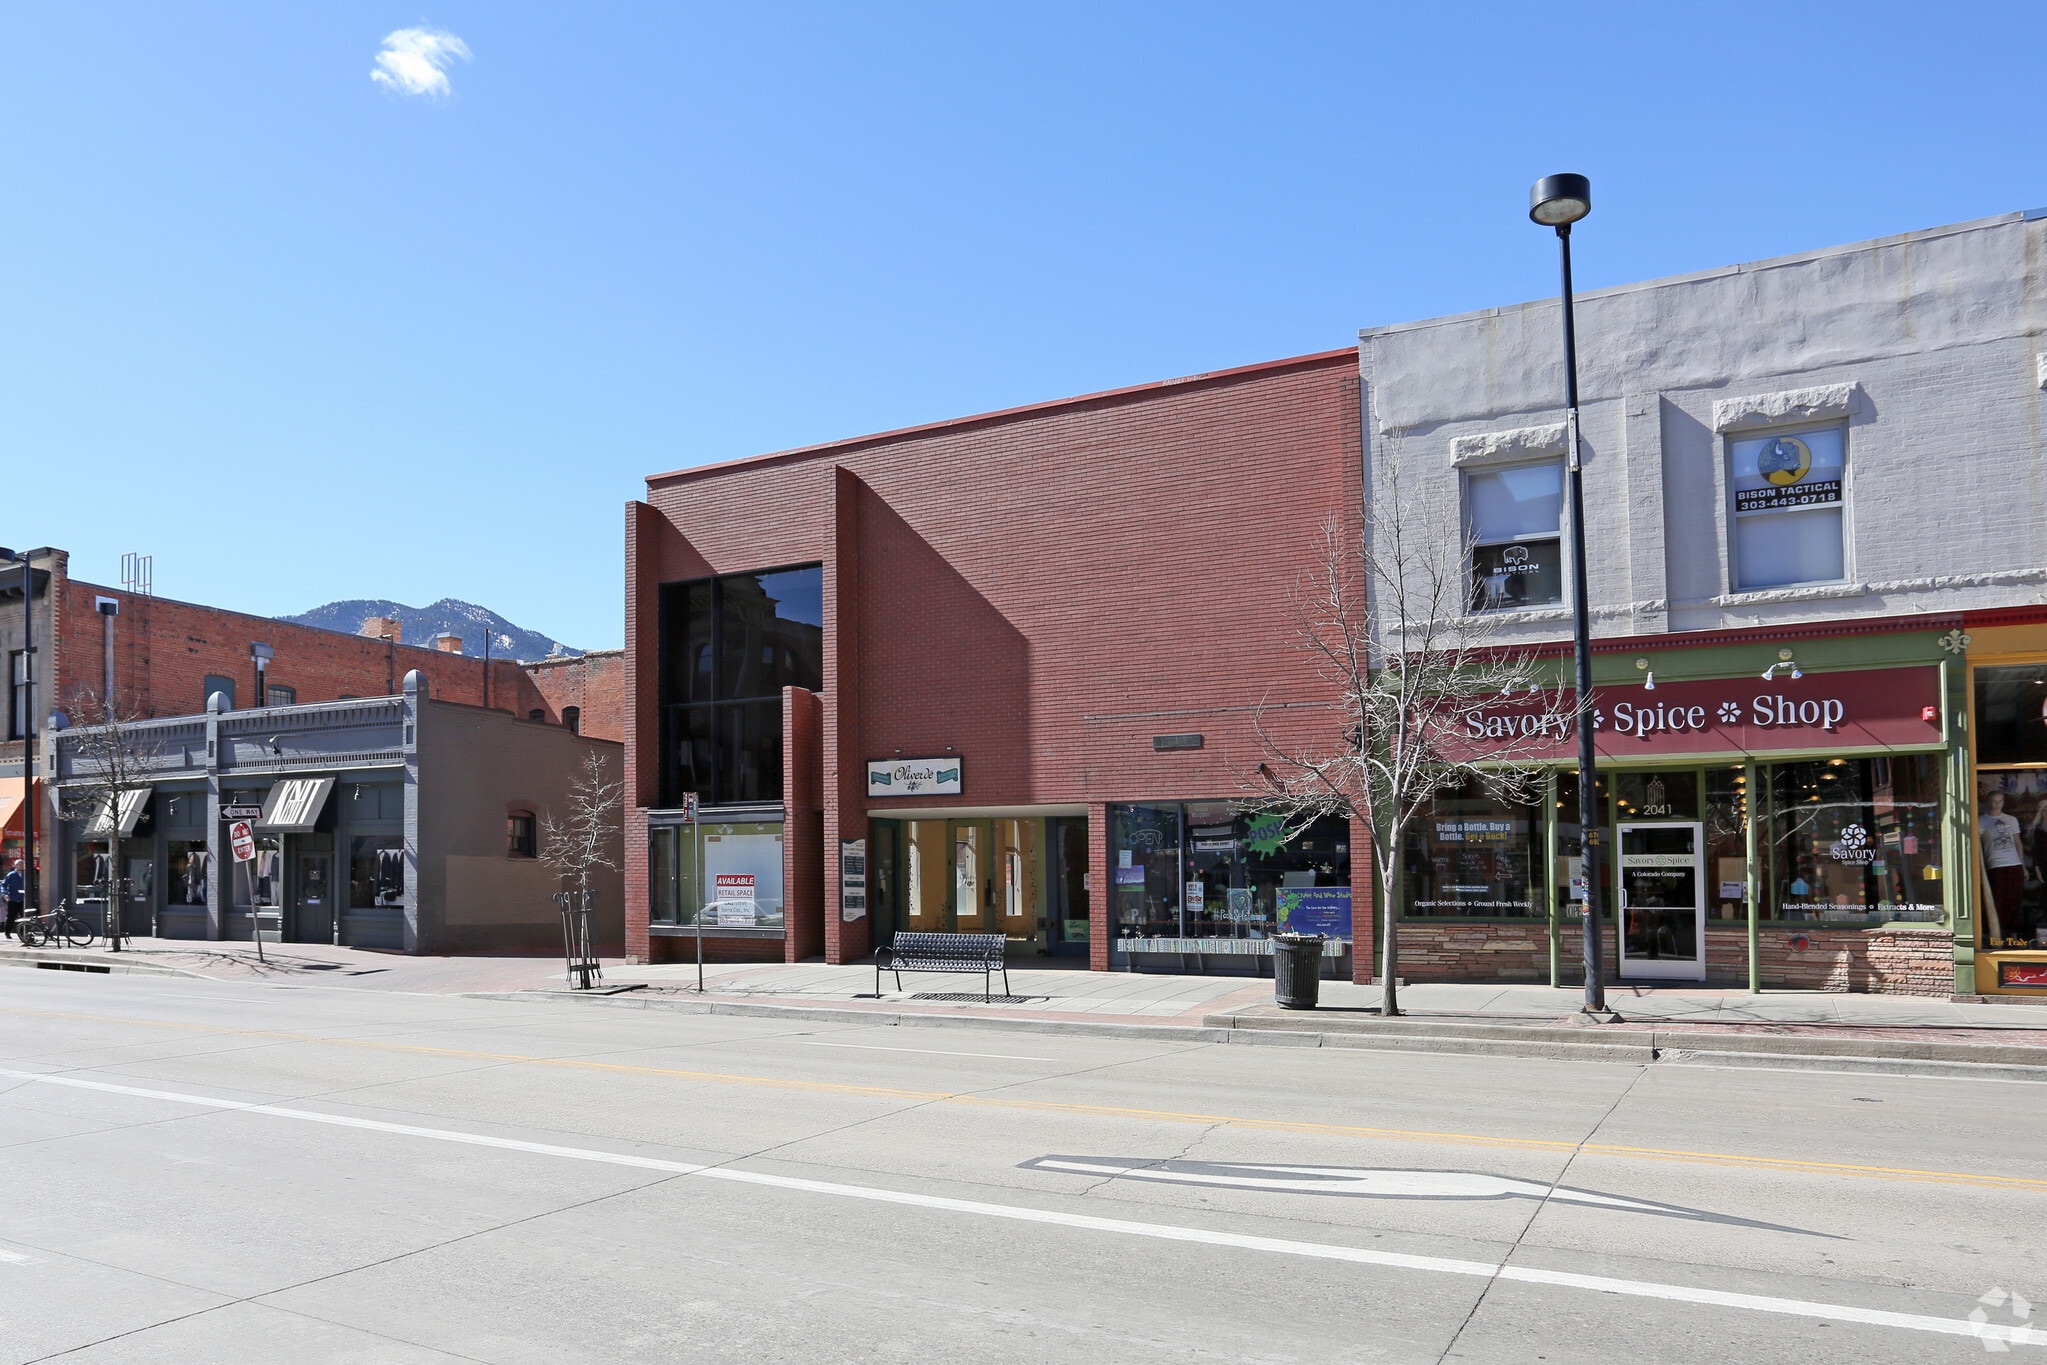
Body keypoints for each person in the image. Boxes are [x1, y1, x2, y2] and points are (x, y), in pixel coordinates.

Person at [1981, 789, 2025, 940]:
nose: (1997, 804)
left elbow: (2018, 842)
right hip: (1995, 865)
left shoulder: (2011, 820)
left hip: (2014, 864)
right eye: (1994, 800)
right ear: (1988, 801)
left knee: (2014, 900)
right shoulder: (1980, 821)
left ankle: (2014, 935)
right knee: (1998, 900)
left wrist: (2023, 865)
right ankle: (1997, 935)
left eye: (2000, 801)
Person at [1, 858, 24, 940]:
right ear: (15, 865)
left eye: (21, 864)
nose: (20, 866)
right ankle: (7, 932)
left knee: (24, 917)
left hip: (23, 899)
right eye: (18, 864)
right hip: (13, 899)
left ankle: (22, 933)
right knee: (11, 916)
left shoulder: (26, 874)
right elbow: (3, 885)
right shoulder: (11, 875)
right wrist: (5, 894)